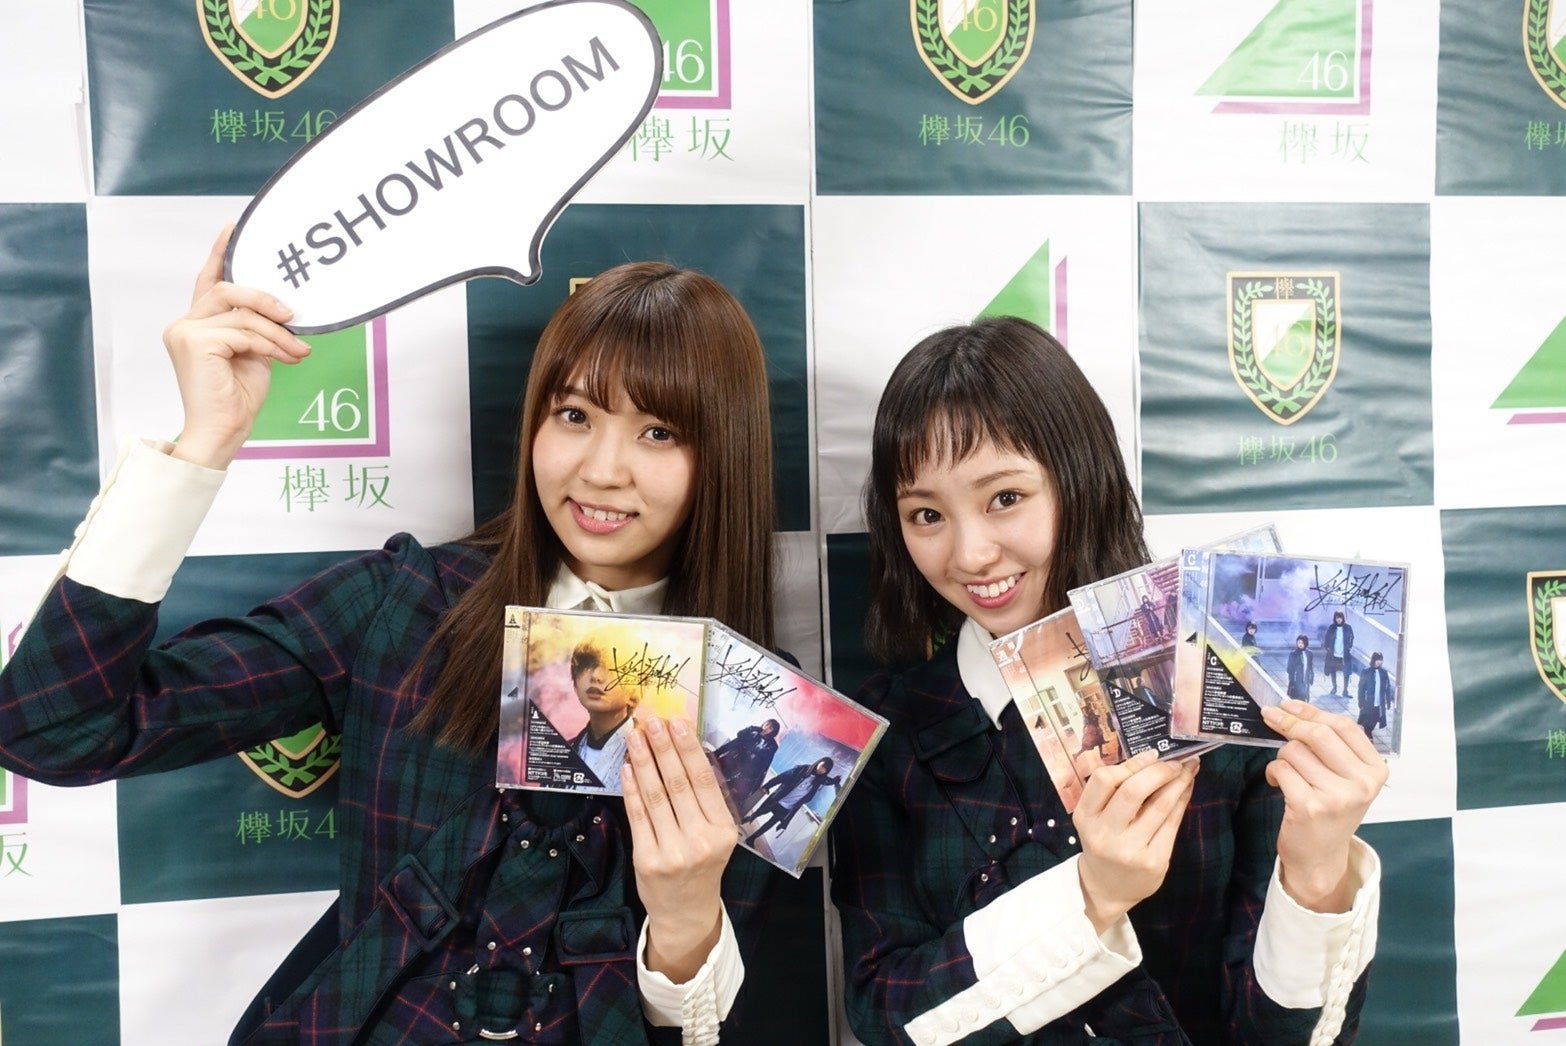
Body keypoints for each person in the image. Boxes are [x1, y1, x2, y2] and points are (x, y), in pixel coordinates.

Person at [0, 227, 787, 1044]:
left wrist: (686, 914)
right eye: (574, 414)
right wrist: (204, 441)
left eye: (659, 432)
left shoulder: (756, 704)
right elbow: (54, 729)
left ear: (722, 453)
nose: (600, 469)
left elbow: (689, 1026)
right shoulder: (407, 603)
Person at [832, 317, 1386, 1045]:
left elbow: (1286, 1036)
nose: (969, 554)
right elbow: (886, 1016)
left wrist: (1316, 874)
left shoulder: (1221, 685)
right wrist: (1091, 897)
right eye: (926, 514)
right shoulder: (886, 736)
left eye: (1005, 498)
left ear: (1079, 479)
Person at [566, 639, 636, 788]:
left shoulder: (652, 752)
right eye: (586, 665)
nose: (596, 676)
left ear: (636, 688)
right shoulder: (562, 752)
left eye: (612, 667)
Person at [741, 757, 842, 847]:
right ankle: (748, 818)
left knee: (770, 824)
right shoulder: (802, 769)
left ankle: (752, 838)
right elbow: (783, 776)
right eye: (822, 766)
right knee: (759, 812)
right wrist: (767, 786)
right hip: (778, 799)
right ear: (818, 762)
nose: (822, 770)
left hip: (788, 807)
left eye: (825, 769)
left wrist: (836, 781)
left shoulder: (820, 780)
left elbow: (829, 781)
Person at [714, 718, 782, 807]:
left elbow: (762, 753)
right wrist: (753, 729)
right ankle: (716, 755)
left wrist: (749, 746)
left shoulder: (773, 745)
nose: (767, 728)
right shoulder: (755, 731)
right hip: (738, 758)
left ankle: (721, 799)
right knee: (738, 742)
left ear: (773, 732)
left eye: (770, 728)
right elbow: (740, 734)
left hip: (750, 769)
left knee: (730, 787)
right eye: (767, 724)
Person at [1356, 652, 1395, 741]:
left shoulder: (1383, 673)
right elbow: (1361, 688)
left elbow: (1387, 688)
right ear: (1373, 659)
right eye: (1378, 660)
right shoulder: (1366, 671)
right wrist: (1361, 701)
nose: (1379, 662)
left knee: (1376, 719)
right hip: (1369, 701)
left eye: (1381, 660)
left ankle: (1368, 733)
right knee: (1368, 720)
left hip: (1379, 702)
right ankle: (1369, 736)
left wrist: (1388, 701)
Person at [1323, 611, 1356, 696]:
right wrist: (1327, 647)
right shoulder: (1332, 627)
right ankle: (1334, 687)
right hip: (1334, 654)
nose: (1339, 619)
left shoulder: (1347, 627)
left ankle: (1345, 690)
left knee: (1346, 672)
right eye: (1337, 618)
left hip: (1344, 654)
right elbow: (1327, 637)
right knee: (1333, 671)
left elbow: (1352, 637)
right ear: (1335, 618)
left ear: (1343, 618)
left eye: (1340, 617)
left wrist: (1349, 646)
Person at [1287, 632, 1315, 702]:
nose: (1300, 644)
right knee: (1296, 698)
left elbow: (1310, 666)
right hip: (1296, 680)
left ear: (1306, 643)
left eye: (1302, 643)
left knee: (1304, 697)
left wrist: (1311, 677)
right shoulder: (1293, 654)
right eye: (1299, 642)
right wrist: (1292, 680)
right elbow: (1289, 668)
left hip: (1305, 680)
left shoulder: (1309, 653)